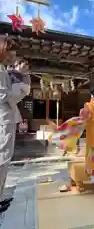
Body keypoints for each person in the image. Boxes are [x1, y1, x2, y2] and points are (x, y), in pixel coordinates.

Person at [0, 37, 30, 212]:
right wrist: (21, 90)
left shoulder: (4, 69)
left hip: (7, 116)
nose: (13, 57)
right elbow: (3, 95)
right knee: (2, 156)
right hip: (3, 117)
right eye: (11, 53)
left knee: (5, 157)